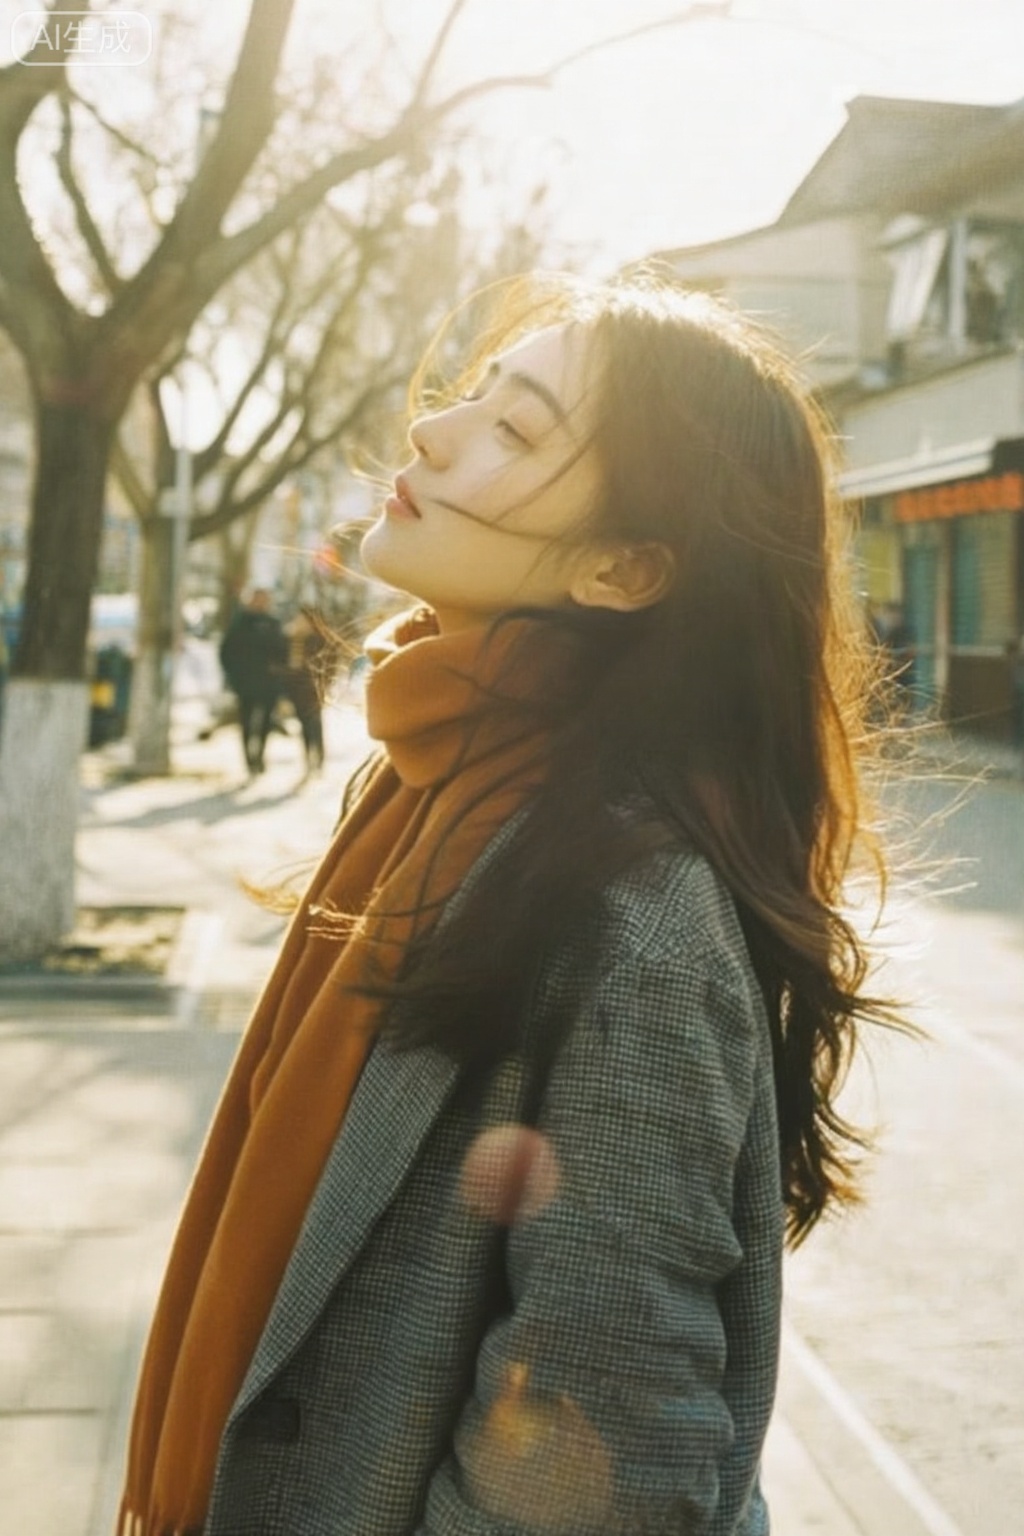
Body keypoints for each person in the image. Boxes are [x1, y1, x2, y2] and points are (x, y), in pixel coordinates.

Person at [118, 273, 900, 1536]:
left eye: (514, 430)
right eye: (473, 396)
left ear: (624, 567)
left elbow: (614, 1463)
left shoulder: (631, 909)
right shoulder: (425, 779)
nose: (432, 429)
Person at [218, 587, 288, 775]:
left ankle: (260, 755)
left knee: (266, 722)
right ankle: (248, 759)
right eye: (257, 599)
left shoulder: (273, 623)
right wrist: (233, 676)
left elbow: (283, 651)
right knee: (246, 722)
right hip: (246, 682)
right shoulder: (240, 622)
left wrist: (279, 670)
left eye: (264, 599)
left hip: (268, 682)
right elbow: (226, 651)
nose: (261, 603)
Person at [282, 607, 332, 773]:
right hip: (295, 688)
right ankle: (307, 756)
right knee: (303, 722)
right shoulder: (290, 638)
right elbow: (285, 663)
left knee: (315, 722)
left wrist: (325, 683)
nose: (300, 622)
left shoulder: (319, 639)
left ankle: (319, 756)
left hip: (314, 688)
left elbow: (330, 663)